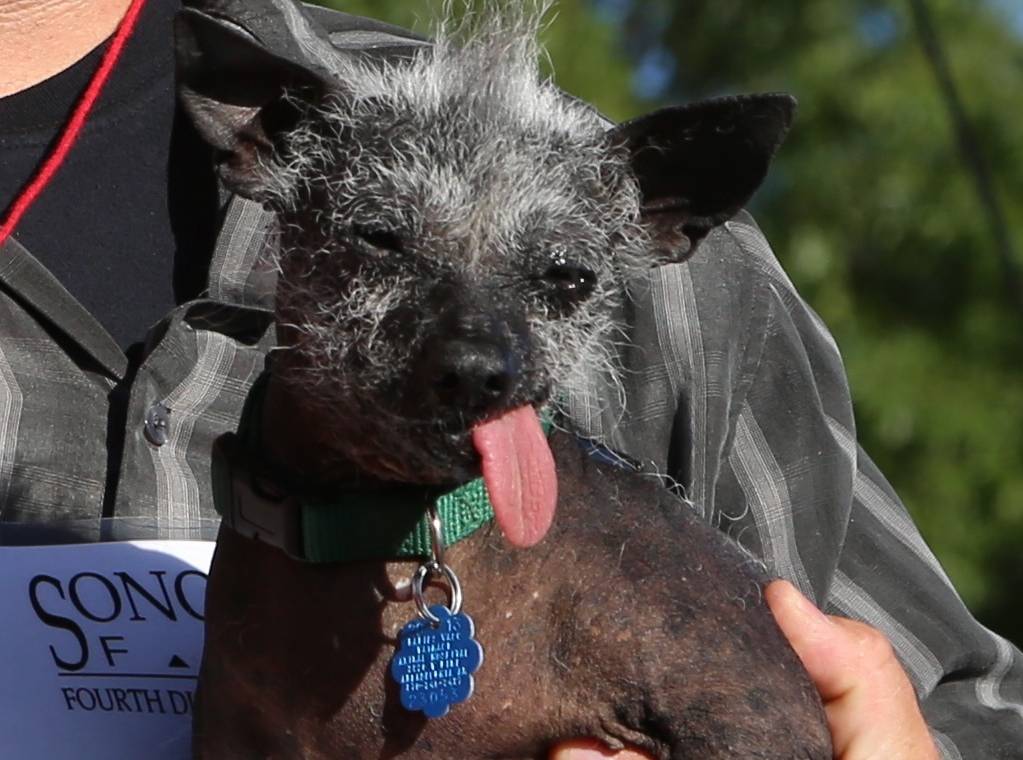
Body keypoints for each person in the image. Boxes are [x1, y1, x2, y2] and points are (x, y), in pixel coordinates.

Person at [0, 0, 1019, 757]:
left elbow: (966, 715)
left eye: (562, 280)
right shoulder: (325, 133)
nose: (484, 352)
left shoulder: (646, 251)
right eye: (384, 242)